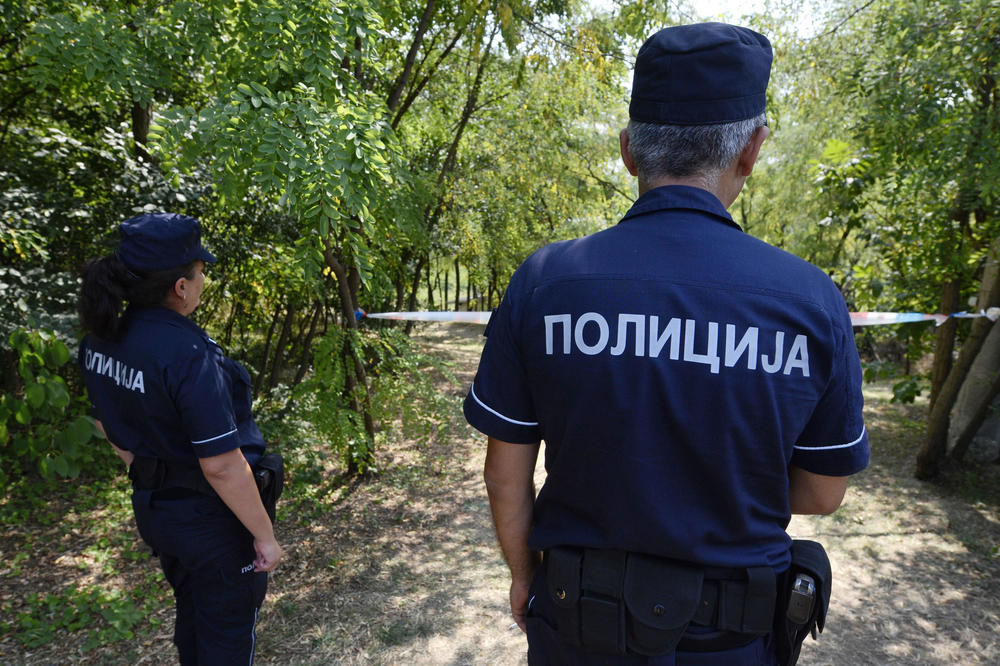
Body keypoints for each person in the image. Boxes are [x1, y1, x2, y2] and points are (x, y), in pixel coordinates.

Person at [464, 22, 870, 665]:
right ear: (752, 149)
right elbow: (822, 494)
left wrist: (522, 575)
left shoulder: (546, 282)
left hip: (577, 629)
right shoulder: (809, 299)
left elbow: (504, 477)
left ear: (629, 151)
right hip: (732, 640)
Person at [77, 212, 282, 665]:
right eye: (200, 271)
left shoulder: (101, 339)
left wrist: (154, 474)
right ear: (181, 287)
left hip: (159, 513)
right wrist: (264, 537)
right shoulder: (189, 353)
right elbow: (222, 465)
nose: (202, 279)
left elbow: (109, 427)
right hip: (212, 524)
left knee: (194, 621)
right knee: (226, 638)